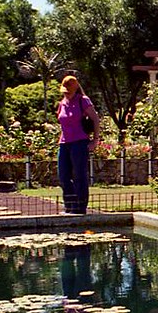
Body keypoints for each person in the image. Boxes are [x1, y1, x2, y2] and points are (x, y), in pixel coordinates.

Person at [57, 75, 100, 214]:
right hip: (64, 143)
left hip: (80, 142)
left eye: (68, 90)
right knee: (63, 175)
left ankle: (80, 207)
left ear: (75, 88)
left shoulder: (83, 101)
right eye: (64, 91)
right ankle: (69, 204)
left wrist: (95, 140)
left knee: (79, 175)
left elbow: (95, 119)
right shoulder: (62, 103)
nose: (66, 93)